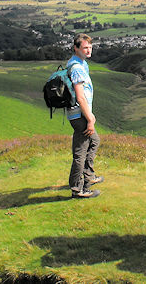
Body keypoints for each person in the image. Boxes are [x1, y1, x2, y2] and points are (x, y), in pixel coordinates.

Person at [67, 33, 103, 199]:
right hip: (79, 115)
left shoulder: (81, 63)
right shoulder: (76, 68)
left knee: (94, 141)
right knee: (80, 151)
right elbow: (80, 96)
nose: (88, 50)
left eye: (90, 47)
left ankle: (88, 176)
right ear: (76, 48)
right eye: (84, 47)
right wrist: (89, 118)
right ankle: (77, 188)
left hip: (81, 113)